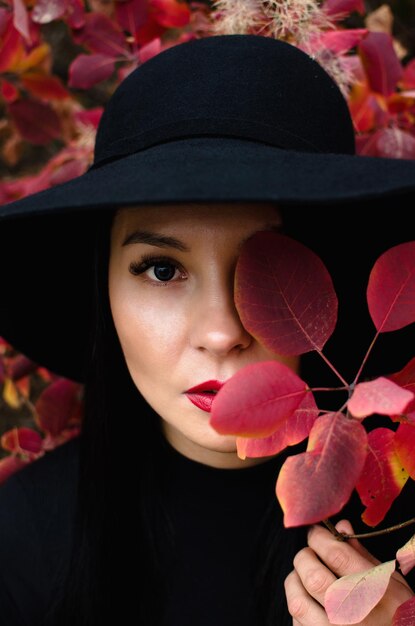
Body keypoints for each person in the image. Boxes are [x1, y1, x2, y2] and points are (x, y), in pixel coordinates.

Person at [0, 33, 414, 626]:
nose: (221, 333)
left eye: (265, 268)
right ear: (104, 291)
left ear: (331, 283)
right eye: (162, 269)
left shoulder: (402, 535)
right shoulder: (21, 544)